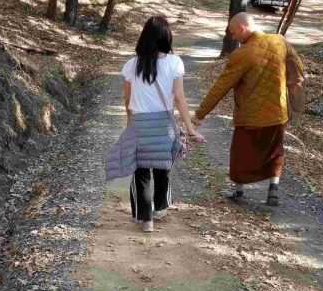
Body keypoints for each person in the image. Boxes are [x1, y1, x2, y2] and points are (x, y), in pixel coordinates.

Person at [192, 12, 303, 206]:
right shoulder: (280, 41)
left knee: (241, 153)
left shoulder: (242, 54)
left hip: (250, 116)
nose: (233, 38)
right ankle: (273, 192)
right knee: (275, 151)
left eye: (234, 33)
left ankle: (239, 192)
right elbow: (297, 66)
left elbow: (221, 86)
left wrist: (200, 114)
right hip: (278, 112)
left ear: (242, 29)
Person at [106, 16, 205, 232]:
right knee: (162, 168)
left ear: (144, 38)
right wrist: (189, 127)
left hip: (140, 124)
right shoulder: (175, 63)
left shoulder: (131, 65)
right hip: (163, 126)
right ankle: (159, 208)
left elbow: (127, 100)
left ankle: (146, 219)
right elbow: (179, 97)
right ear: (166, 38)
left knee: (140, 172)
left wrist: (130, 124)